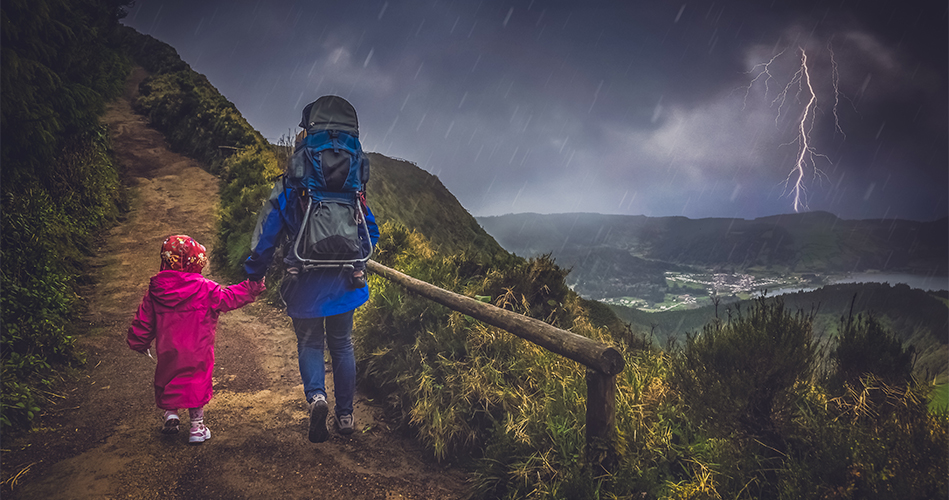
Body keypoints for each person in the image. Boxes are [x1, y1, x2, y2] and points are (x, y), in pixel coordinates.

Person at [245, 96, 379, 443]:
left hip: (303, 277)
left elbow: (268, 231)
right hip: (346, 278)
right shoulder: (352, 187)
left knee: (309, 342)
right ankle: (346, 416)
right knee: (343, 344)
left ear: (304, 135)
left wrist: (254, 272)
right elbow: (371, 231)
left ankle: (317, 398)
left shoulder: (294, 181)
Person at [128, 235, 265, 444]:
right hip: (198, 351)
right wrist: (252, 286)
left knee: (169, 379)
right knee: (196, 384)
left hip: (168, 349)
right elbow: (229, 297)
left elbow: (144, 319)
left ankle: (171, 414)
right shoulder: (205, 288)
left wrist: (139, 341)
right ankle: (197, 428)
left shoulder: (157, 290)